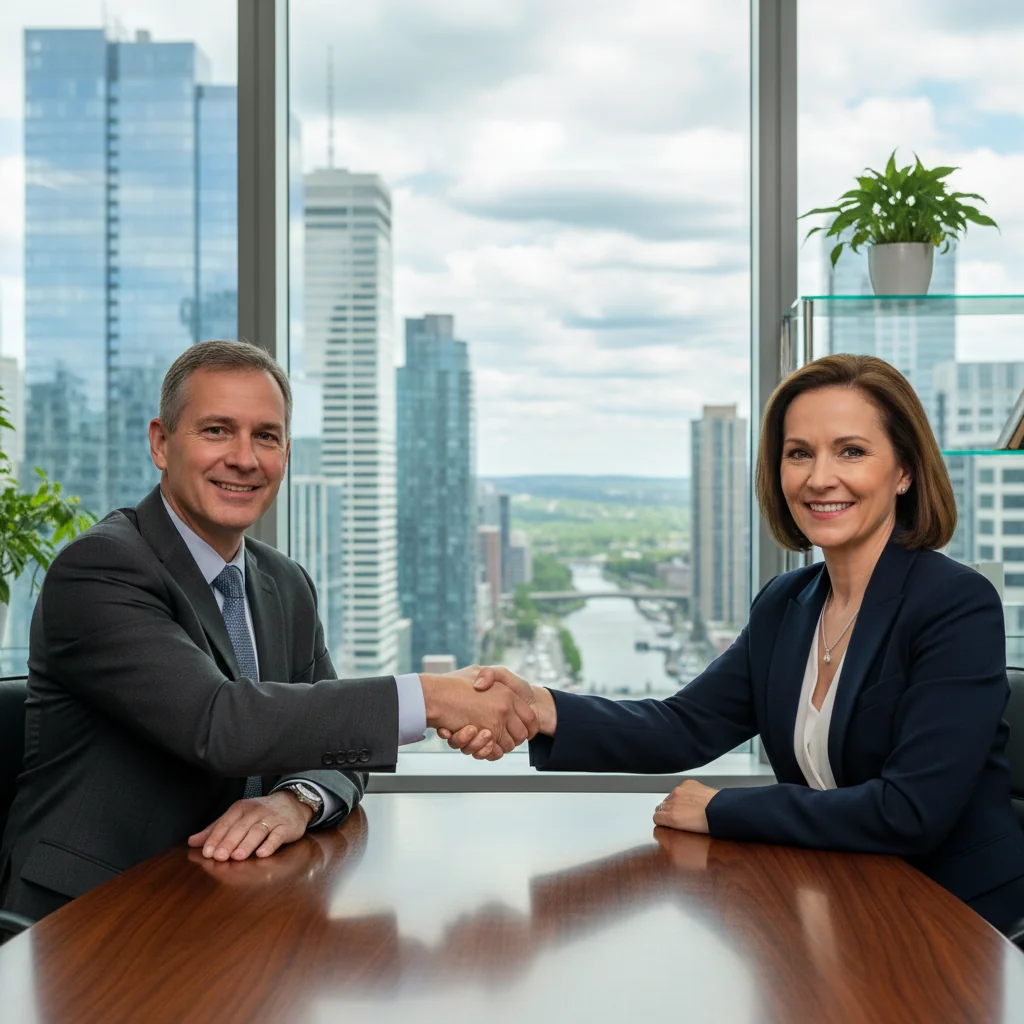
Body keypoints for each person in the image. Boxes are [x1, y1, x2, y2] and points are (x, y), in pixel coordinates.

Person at [445, 354, 1024, 930]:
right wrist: (538, 706)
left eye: (851, 450)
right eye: (799, 453)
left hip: (953, 920)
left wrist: (723, 807)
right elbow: (682, 727)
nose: (820, 477)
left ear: (904, 471)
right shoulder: (786, 603)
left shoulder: (954, 603)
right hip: (843, 898)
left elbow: (910, 812)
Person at [0, 340, 535, 922]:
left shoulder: (286, 583)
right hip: (90, 923)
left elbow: (339, 745)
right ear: (160, 442)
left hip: (227, 912)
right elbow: (219, 722)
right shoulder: (101, 569)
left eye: (266, 436)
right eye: (216, 431)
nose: (244, 458)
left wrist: (296, 800)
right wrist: (431, 698)